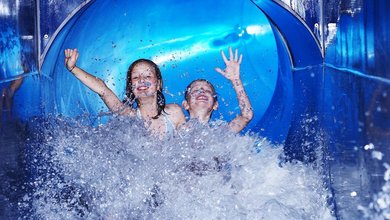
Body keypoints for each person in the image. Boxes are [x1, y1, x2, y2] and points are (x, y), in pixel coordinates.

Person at [64, 48, 186, 138]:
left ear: (158, 84)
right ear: (131, 87)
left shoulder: (174, 112)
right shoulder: (128, 117)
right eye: (136, 78)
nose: (142, 80)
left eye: (148, 76)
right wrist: (73, 68)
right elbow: (103, 90)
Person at [182, 47, 253, 133]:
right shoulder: (177, 129)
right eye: (195, 90)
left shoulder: (221, 132)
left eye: (207, 91)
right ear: (185, 104)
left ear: (215, 105)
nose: (201, 91)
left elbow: (247, 116)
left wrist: (235, 80)